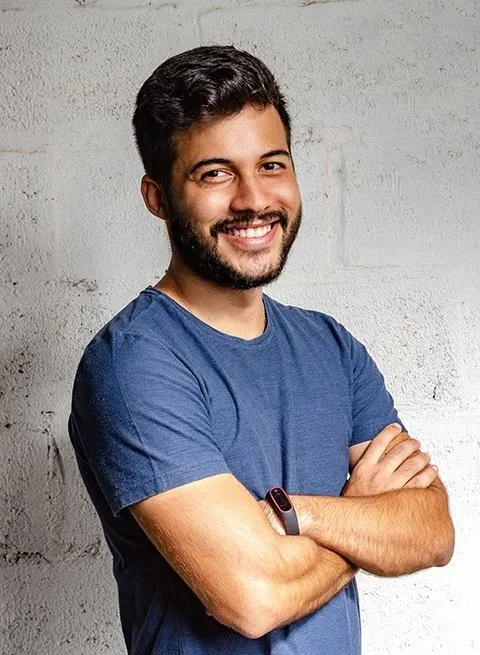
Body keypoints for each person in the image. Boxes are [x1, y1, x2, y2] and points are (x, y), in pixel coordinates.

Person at [68, 45, 455, 655]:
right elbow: (253, 598)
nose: (253, 199)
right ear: (158, 197)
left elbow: (431, 532)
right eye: (215, 173)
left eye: (271, 165)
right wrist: (361, 515)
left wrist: (296, 516)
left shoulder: (332, 347)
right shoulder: (133, 363)